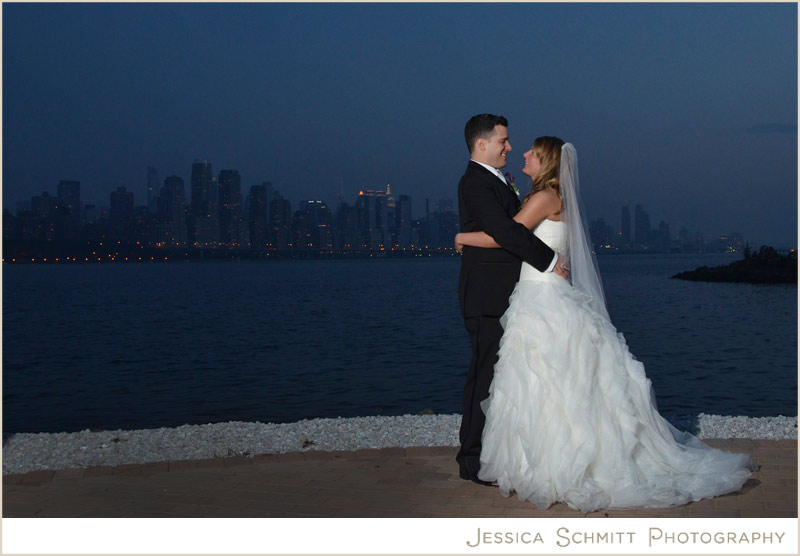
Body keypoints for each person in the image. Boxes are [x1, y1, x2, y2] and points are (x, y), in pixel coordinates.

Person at [454, 136, 755, 512]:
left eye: (531, 151)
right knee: (550, 380)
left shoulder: (544, 198)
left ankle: (551, 462)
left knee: (543, 378)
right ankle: (545, 456)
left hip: (541, 298)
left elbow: (507, 236)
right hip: (541, 297)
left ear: (545, 160)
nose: (522, 153)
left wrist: (462, 236)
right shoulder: (550, 197)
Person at [456, 115, 568, 486]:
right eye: (503, 140)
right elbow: (505, 231)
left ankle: (504, 451)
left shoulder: (500, 181)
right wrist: (551, 261)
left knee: (507, 379)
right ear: (481, 145)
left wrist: (464, 237)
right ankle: (471, 460)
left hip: (514, 295)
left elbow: (507, 231)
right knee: (484, 374)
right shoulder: (474, 183)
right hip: (487, 295)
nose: (509, 146)